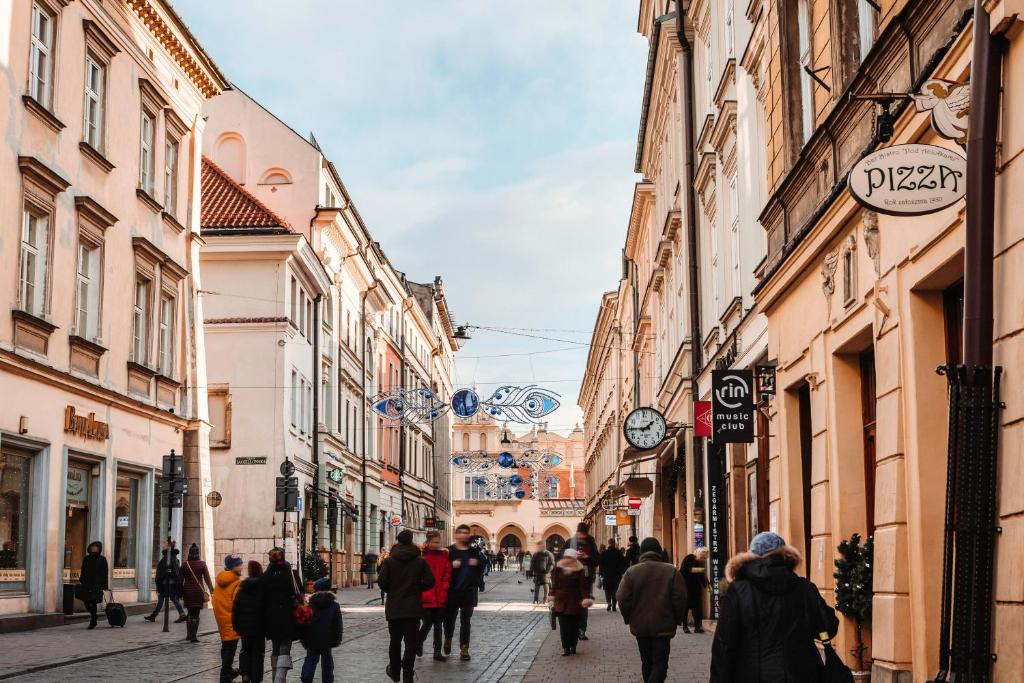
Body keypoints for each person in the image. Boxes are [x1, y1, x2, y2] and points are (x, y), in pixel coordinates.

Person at [710, 532, 839, 683]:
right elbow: (828, 627)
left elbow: (725, 646)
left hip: (751, 675)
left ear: (751, 556)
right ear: (786, 556)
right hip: (802, 674)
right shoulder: (805, 588)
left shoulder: (738, 591)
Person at [616, 537, 688, 683]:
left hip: (640, 625)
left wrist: (628, 617)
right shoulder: (671, 571)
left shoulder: (631, 572)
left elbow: (622, 597)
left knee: (646, 662)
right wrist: (676, 618)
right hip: (663, 625)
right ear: (659, 552)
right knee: (660, 664)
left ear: (642, 552)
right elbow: (681, 598)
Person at [379, 529, 435, 682]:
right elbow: (430, 581)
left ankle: (395, 671)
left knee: (395, 640)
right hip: (413, 608)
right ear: (411, 541)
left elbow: (382, 582)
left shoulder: (389, 561)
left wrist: (393, 589)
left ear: (398, 540)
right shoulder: (420, 560)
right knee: (411, 642)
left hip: (394, 607)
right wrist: (417, 588)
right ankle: (408, 672)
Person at [444, 523, 486, 662]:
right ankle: (448, 639)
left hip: (469, 591)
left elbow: (483, 566)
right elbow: (442, 569)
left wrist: (478, 563)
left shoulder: (474, 551)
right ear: (456, 534)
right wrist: (451, 565)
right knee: (450, 620)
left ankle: (464, 649)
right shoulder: (449, 551)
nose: (464, 535)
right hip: (452, 591)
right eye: (461, 532)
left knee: (465, 621)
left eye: (466, 533)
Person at [263, 547, 301, 683]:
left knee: (275, 647)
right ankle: (280, 679)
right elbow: (298, 592)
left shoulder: (267, 574)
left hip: (272, 617)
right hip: (287, 616)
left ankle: (275, 677)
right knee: (285, 646)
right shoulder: (289, 571)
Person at [548, 548, 593, 656]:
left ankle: (573, 645)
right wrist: (551, 596)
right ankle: (566, 648)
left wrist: (586, 598)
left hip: (575, 601)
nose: (569, 560)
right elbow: (554, 583)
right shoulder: (558, 568)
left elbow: (583, 586)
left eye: (571, 558)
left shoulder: (579, 569)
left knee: (574, 625)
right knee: (563, 625)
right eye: (567, 557)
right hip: (561, 601)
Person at [299, 577, 343, 683]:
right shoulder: (334, 606)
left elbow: (304, 625)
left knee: (311, 659)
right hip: (327, 638)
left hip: (312, 638)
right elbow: (338, 625)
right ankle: (328, 680)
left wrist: (304, 640)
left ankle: (306, 677)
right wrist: (337, 640)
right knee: (327, 661)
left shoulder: (310, 605)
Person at [417, 530, 451, 662]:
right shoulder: (422, 557)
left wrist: (444, 587)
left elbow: (447, 574)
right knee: (427, 623)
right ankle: (419, 642)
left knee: (438, 625)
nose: (437, 544)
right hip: (427, 596)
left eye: (439, 542)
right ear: (428, 542)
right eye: (434, 542)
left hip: (440, 596)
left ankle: (437, 651)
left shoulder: (444, 557)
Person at [563, 522, 599, 640]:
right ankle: (573, 629)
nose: (582, 536)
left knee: (584, 604)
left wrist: (587, 557)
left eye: (584, 534)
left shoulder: (591, 543)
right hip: (570, 579)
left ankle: (582, 630)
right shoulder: (569, 542)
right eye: (580, 534)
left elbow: (597, 560)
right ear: (577, 532)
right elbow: (561, 558)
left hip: (586, 579)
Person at [233, 560, 266, 683]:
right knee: (258, 653)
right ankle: (256, 679)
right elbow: (266, 610)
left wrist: (236, 625)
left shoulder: (242, 589)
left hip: (244, 628)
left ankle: (245, 674)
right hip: (259, 628)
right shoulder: (263, 589)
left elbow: (236, 609)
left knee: (245, 651)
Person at [213, 554, 244, 682]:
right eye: (239, 564)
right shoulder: (236, 583)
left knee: (226, 647)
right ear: (233, 567)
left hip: (222, 619)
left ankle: (227, 672)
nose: (241, 566)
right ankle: (225, 674)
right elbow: (239, 604)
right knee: (230, 649)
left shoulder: (220, 581)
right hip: (232, 620)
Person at [178, 543, 214, 643]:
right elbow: (207, 579)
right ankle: (194, 636)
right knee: (196, 613)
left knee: (189, 612)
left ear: (189, 553)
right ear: (198, 553)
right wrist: (212, 591)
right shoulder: (202, 564)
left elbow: (180, 580)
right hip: (198, 591)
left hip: (188, 591)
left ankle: (189, 634)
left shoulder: (185, 564)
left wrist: (180, 593)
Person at [146, 544, 186, 623]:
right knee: (163, 599)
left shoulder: (168, 558)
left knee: (173, 599)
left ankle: (182, 614)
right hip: (168, 583)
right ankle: (153, 616)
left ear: (168, 549)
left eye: (164, 546)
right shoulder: (172, 558)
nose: (163, 547)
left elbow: (170, 570)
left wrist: (164, 575)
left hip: (167, 583)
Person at [77, 541, 108, 629]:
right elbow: (83, 570)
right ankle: (93, 615)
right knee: (86, 602)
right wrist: (82, 580)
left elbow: (105, 573)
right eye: (93, 547)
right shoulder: (86, 558)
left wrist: (105, 586)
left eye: (96, 547)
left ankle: (93, 620)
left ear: (99, 549)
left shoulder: (102, 559)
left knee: (93, 602)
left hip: (97, 585)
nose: (94, 549)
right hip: (87, 584)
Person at [679, 552, 709, 633]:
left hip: (696, 588)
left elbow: (701, 575)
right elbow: (688, 569)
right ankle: (685, 626)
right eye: (703, 557)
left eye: (704, 558)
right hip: (687, 586)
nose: (703, 559)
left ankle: (697, 627)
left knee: (697, 608)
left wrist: (705, 583)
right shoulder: (689, 558)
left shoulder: (699, 562)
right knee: (686, 608)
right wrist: (701, 570)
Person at [598, 538, 627, 612]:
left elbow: (601, 564)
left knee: (607, 590)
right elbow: (624, 563)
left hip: (606, 574)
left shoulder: (604, 553)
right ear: (614, 543)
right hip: (616, 575)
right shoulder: (618, 553)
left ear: (608, 543)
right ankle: (614, 605)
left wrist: (601, 573)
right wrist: (622, 571)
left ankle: (608, 602)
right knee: (615, 590)